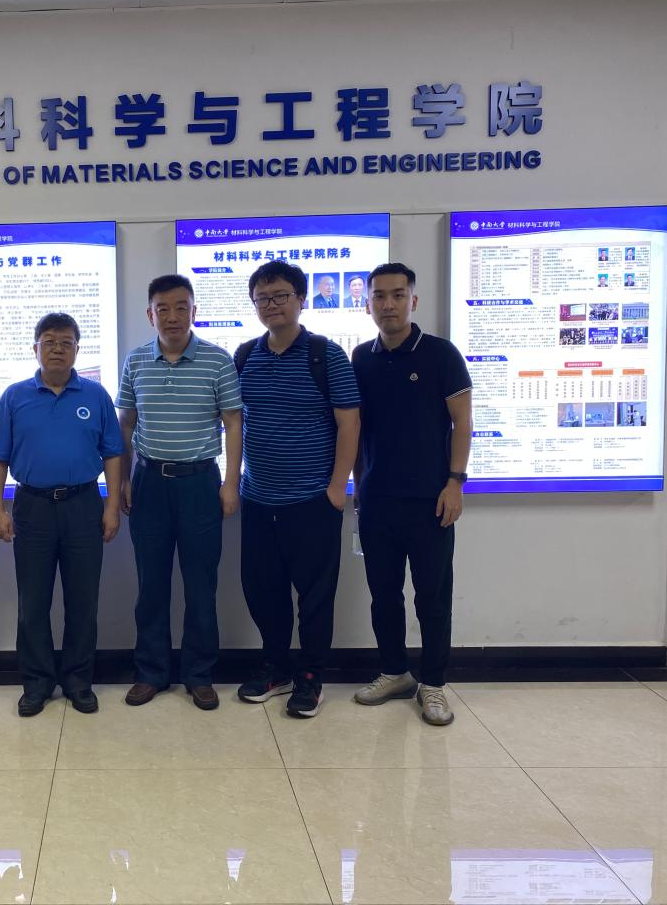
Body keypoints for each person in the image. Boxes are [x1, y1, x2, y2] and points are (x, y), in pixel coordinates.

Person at [235, 261, 360, 719]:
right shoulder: (245, 356)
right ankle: (276, 668)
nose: (272, 305)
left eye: (281, 295)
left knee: (315, 596)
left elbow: (350, 424)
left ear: (301, 300)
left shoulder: (326, 355)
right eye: (263, 298)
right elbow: (233, 420)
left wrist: (336, 488)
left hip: (311, 501)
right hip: (257, 499)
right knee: (263, 590)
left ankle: (310, 676)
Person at [351, 262, 472, 726]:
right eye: (379, 296)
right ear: (367, 304)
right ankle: (395, 672)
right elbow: (356, 428)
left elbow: (463, 422)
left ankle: (434, 683)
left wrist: (455, 482)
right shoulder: (361, 358)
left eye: (398, 295)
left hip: (431, 501)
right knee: (383, 594)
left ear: (413, 301)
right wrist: (358, 485)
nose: (389, 304)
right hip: (377, 501)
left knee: (432, 597)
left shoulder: (441, 354)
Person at [0, 313, 123, 717]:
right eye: (49, 341)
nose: (58, 349)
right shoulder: (14, 396)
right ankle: (37, 682)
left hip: (83, 505)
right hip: (33, 507)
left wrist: (111, 507)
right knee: (33, 602)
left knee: (83, 601)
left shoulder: (96, 395)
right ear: (35, 349)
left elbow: (113, 454)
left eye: (66, 342)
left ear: (78, 349)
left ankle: (79, 681)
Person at [117, 275, 242, 710]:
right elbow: (126, 424)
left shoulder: (217, 360)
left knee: (201, 585)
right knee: (151, 584)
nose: (172, 316)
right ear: (150, 314)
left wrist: (230, 482)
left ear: (194, 311)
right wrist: (124, 480)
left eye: (181, 307)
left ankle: (199, 674)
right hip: (149, 482)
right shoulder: (136, 360)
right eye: (163, 308)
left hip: (200, 484)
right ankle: (151, 672)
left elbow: (233, 423)